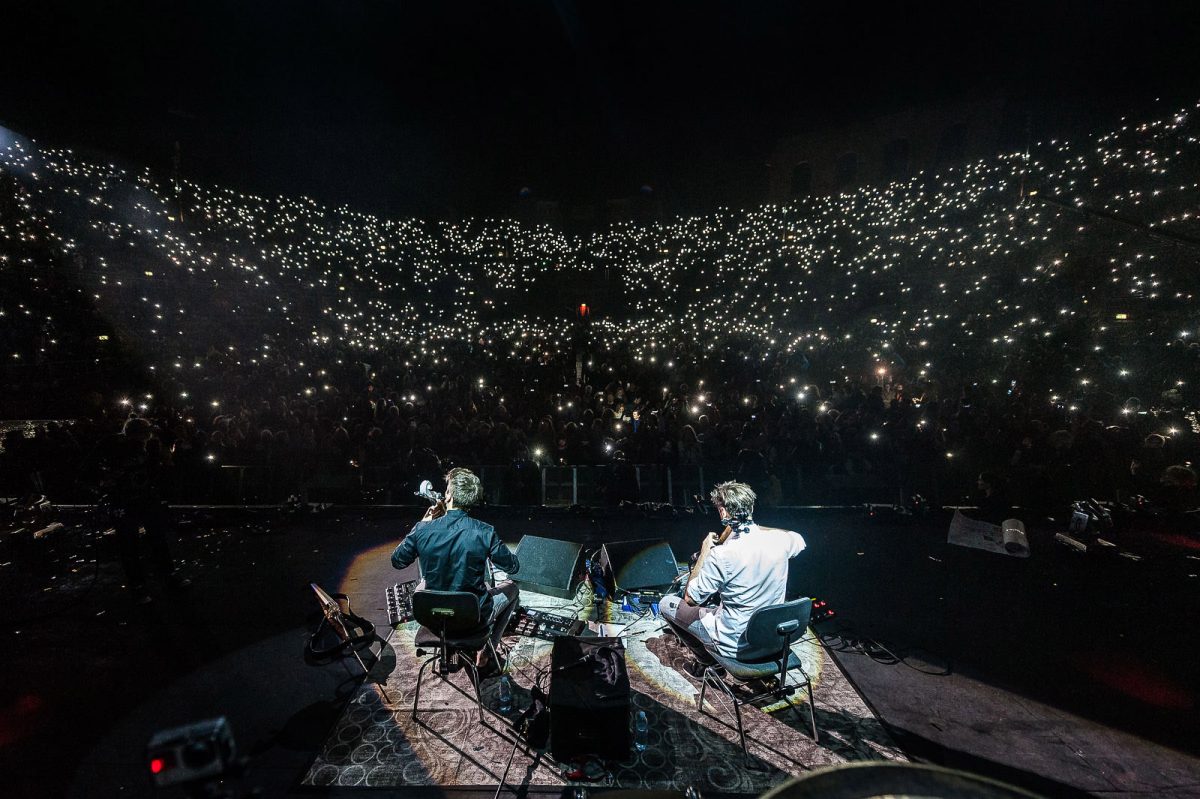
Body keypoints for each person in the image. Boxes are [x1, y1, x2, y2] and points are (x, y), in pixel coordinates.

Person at [661, 481, 807, 673]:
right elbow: (799, 540)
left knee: (666, 604)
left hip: (734, 645)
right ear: (751, 507)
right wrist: (750, 526)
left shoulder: (721, 555)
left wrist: (705, 550)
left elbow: (691, 599)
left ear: (722, 512)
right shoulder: (781, 541)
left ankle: (706, 662)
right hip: (773, 639)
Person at [391, 468, 520, 666]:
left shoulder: (423, 529)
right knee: (512, 588)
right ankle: (487, 650)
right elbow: (512, 567)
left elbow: (398, 561)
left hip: (432, 617)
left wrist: (423, 523)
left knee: (425, 583)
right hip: (472, 618)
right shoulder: (485, 532)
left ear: (449, 494)